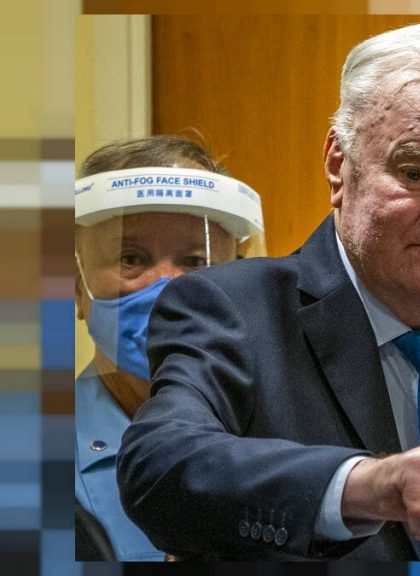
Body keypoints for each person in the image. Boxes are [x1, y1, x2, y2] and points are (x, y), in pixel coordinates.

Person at [117, 23, 420, 561]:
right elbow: (159, 469)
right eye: (417, 173)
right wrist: (364, 485)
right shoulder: (232, 312)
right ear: (339, 164)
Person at [74, 135, 266, 560]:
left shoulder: (289, 436)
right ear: (77, 290)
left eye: (196, 261)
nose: (166, 290)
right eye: (130, 258)